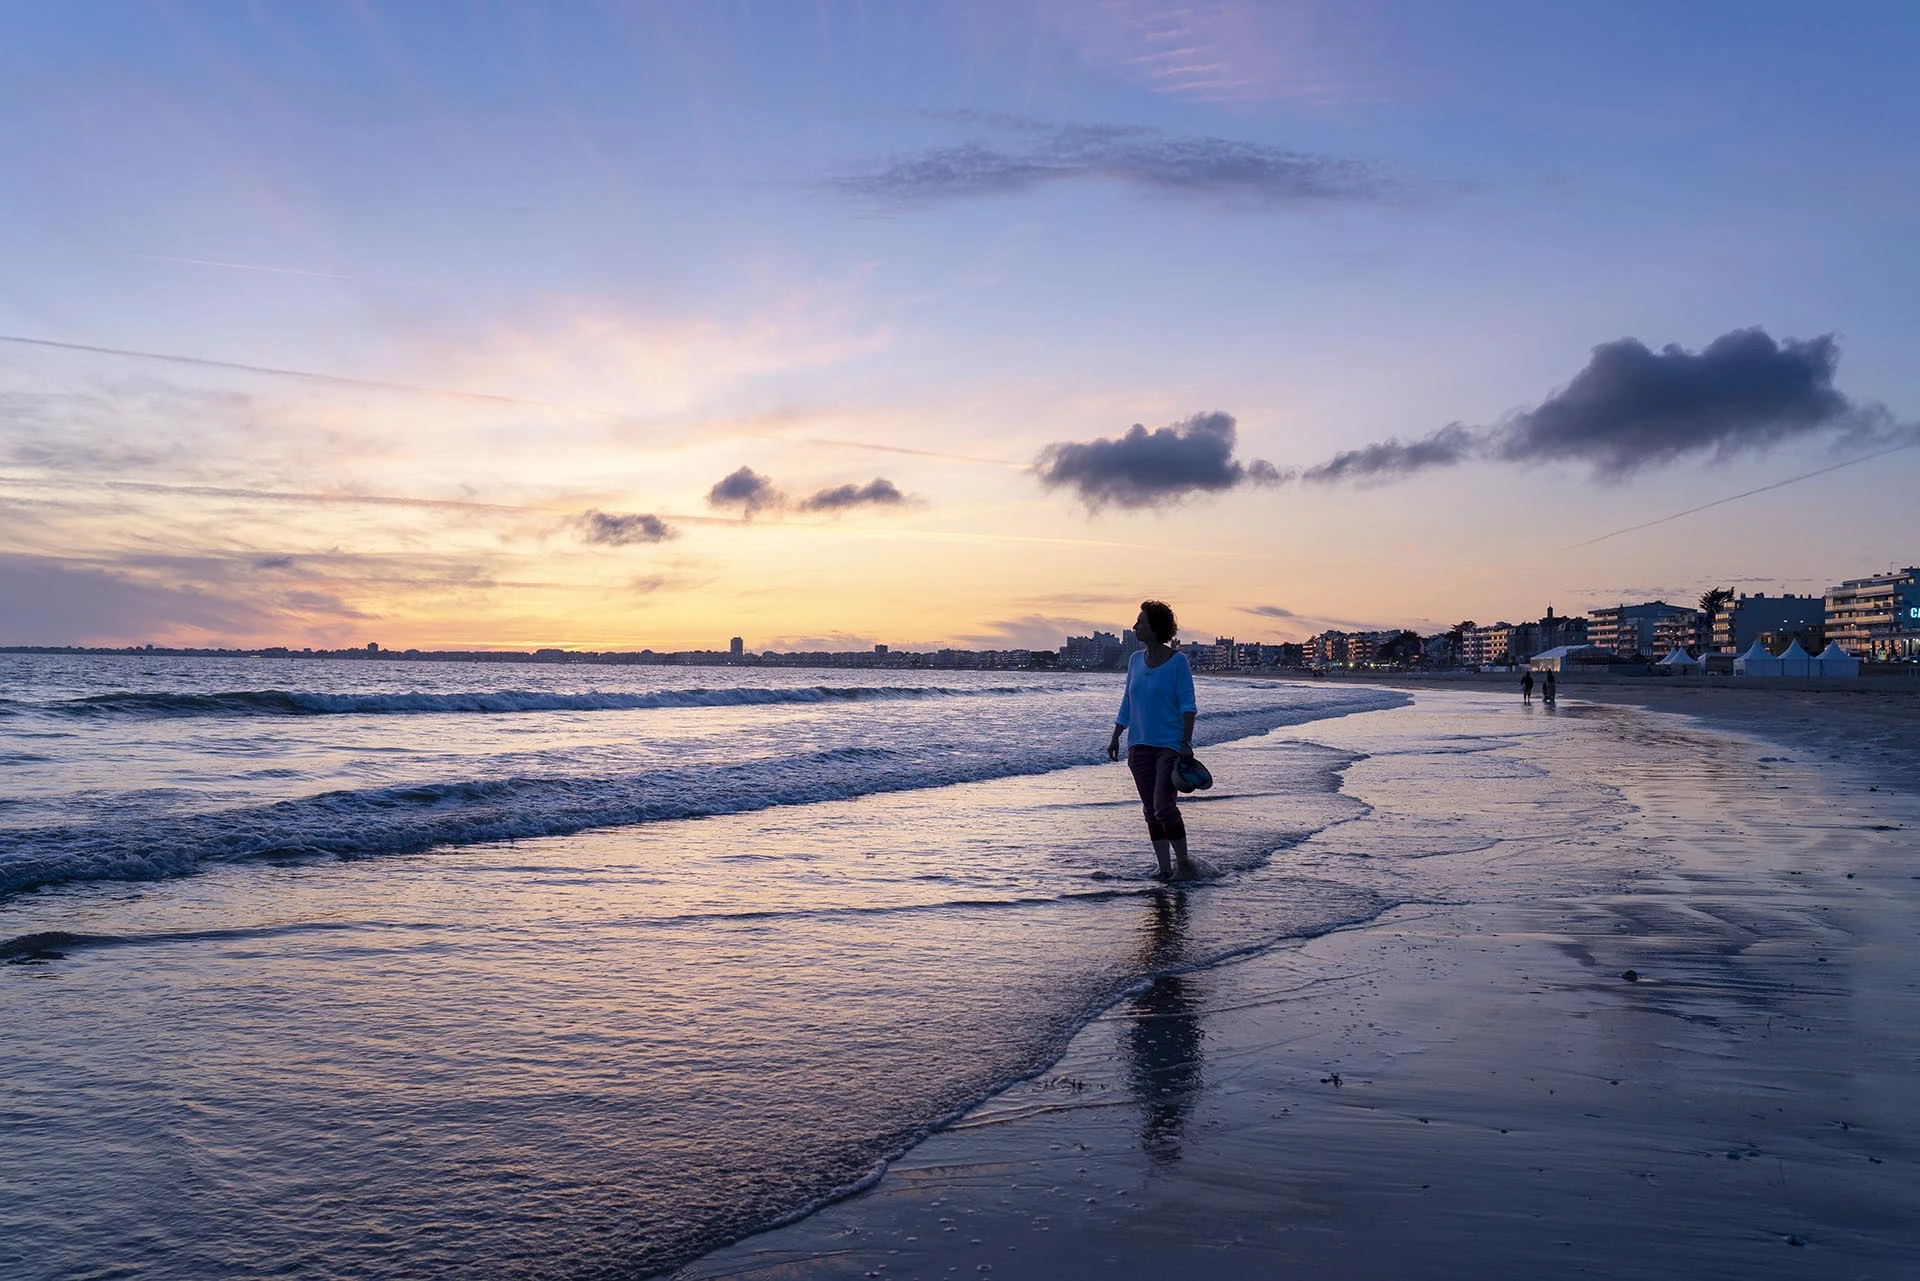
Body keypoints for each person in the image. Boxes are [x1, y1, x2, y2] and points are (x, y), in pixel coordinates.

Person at [1107, 600, 1198, 881]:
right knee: (1150, 811)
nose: (1135, 626)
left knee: (1164, 807)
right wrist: (1116, 735)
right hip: (1139, 746)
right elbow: (1127, 701)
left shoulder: (1177, 662)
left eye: (1140, 622)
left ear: (1155, 627)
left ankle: (1183, 863)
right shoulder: (1135, 661)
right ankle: (1164, 869)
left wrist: (1185, 743)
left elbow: (1188, 706)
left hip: (1169, 746)